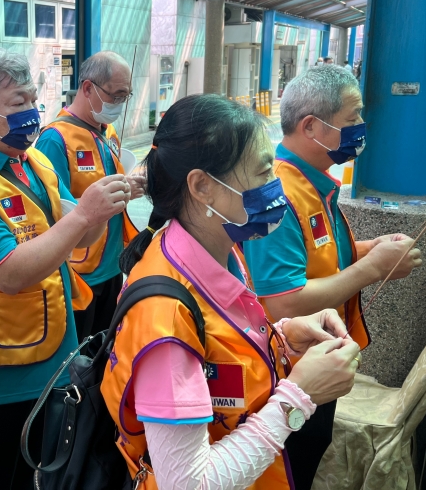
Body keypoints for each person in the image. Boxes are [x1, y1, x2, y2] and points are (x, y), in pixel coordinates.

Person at [101, 94, 361, 490]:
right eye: (263, 172)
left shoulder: (223, 250)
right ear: (202, 186)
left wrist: (284, 339)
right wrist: (298, 398)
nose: (276, 186)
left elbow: (218, 356)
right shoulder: (164, 318)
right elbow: (187, 484)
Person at [0, 48, 131, 490]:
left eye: (34, 99)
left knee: (41, 476)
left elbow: (80, 238)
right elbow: (11, 273)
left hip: (52, 358)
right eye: (18, 102)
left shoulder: (34, 164)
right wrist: (84, 215)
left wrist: (99, 213)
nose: (32, 112)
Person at [242, 65, 422, 489]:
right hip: (289, 373)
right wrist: (372, 269)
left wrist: (370, 249)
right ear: (311, 126)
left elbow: (315, 258)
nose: (361, 126)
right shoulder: (281, 194)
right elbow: (282, 301)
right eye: (352, 117)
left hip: (317, 361)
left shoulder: (312, 184)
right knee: (291, 469)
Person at [36, 51, 144, 339]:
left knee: (105, 350)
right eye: (116, 95)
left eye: (126, 96)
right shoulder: (55, 139)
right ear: (87, 88)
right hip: (79, 272)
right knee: (81, 354)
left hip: (112, 266)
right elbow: (49, 210)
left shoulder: (108, 132)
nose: (119, 104)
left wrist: (127, 189)